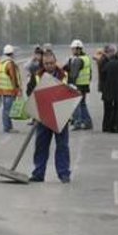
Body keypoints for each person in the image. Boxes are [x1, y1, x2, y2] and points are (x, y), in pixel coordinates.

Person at [29, 51, 72, 183]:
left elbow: (72, 93)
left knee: (62, 146)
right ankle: (38, 173)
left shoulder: (65, 75)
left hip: (60, 115)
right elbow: (30, 93)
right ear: (43, 64)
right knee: (41, 145)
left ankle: (64, 173)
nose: (49, 66)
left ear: (55, 62)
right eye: (46, 63)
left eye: (51, 63)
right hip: (44, 115)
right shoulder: (36, 76)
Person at [66, 39, 93, 130]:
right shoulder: (86, 58)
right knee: (82, 104)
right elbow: (90, 72)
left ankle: (77, 122)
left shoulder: (78, 60)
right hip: (84, 85)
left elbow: (74, 74)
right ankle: (87, 122)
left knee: (76, 104)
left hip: (77, 85)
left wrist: (70, 84)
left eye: (73, 49)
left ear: (77, 49)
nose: (72, 51)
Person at [0, 44, 22, 133]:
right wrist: (17, 89)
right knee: (7, 110)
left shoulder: (2, 62)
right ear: (11, 53)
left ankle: (8, 126)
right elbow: (13, 78)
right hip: (9, 90)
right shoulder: (10, 63)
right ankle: (7, 128)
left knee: (6, 109)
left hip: (3, 90)